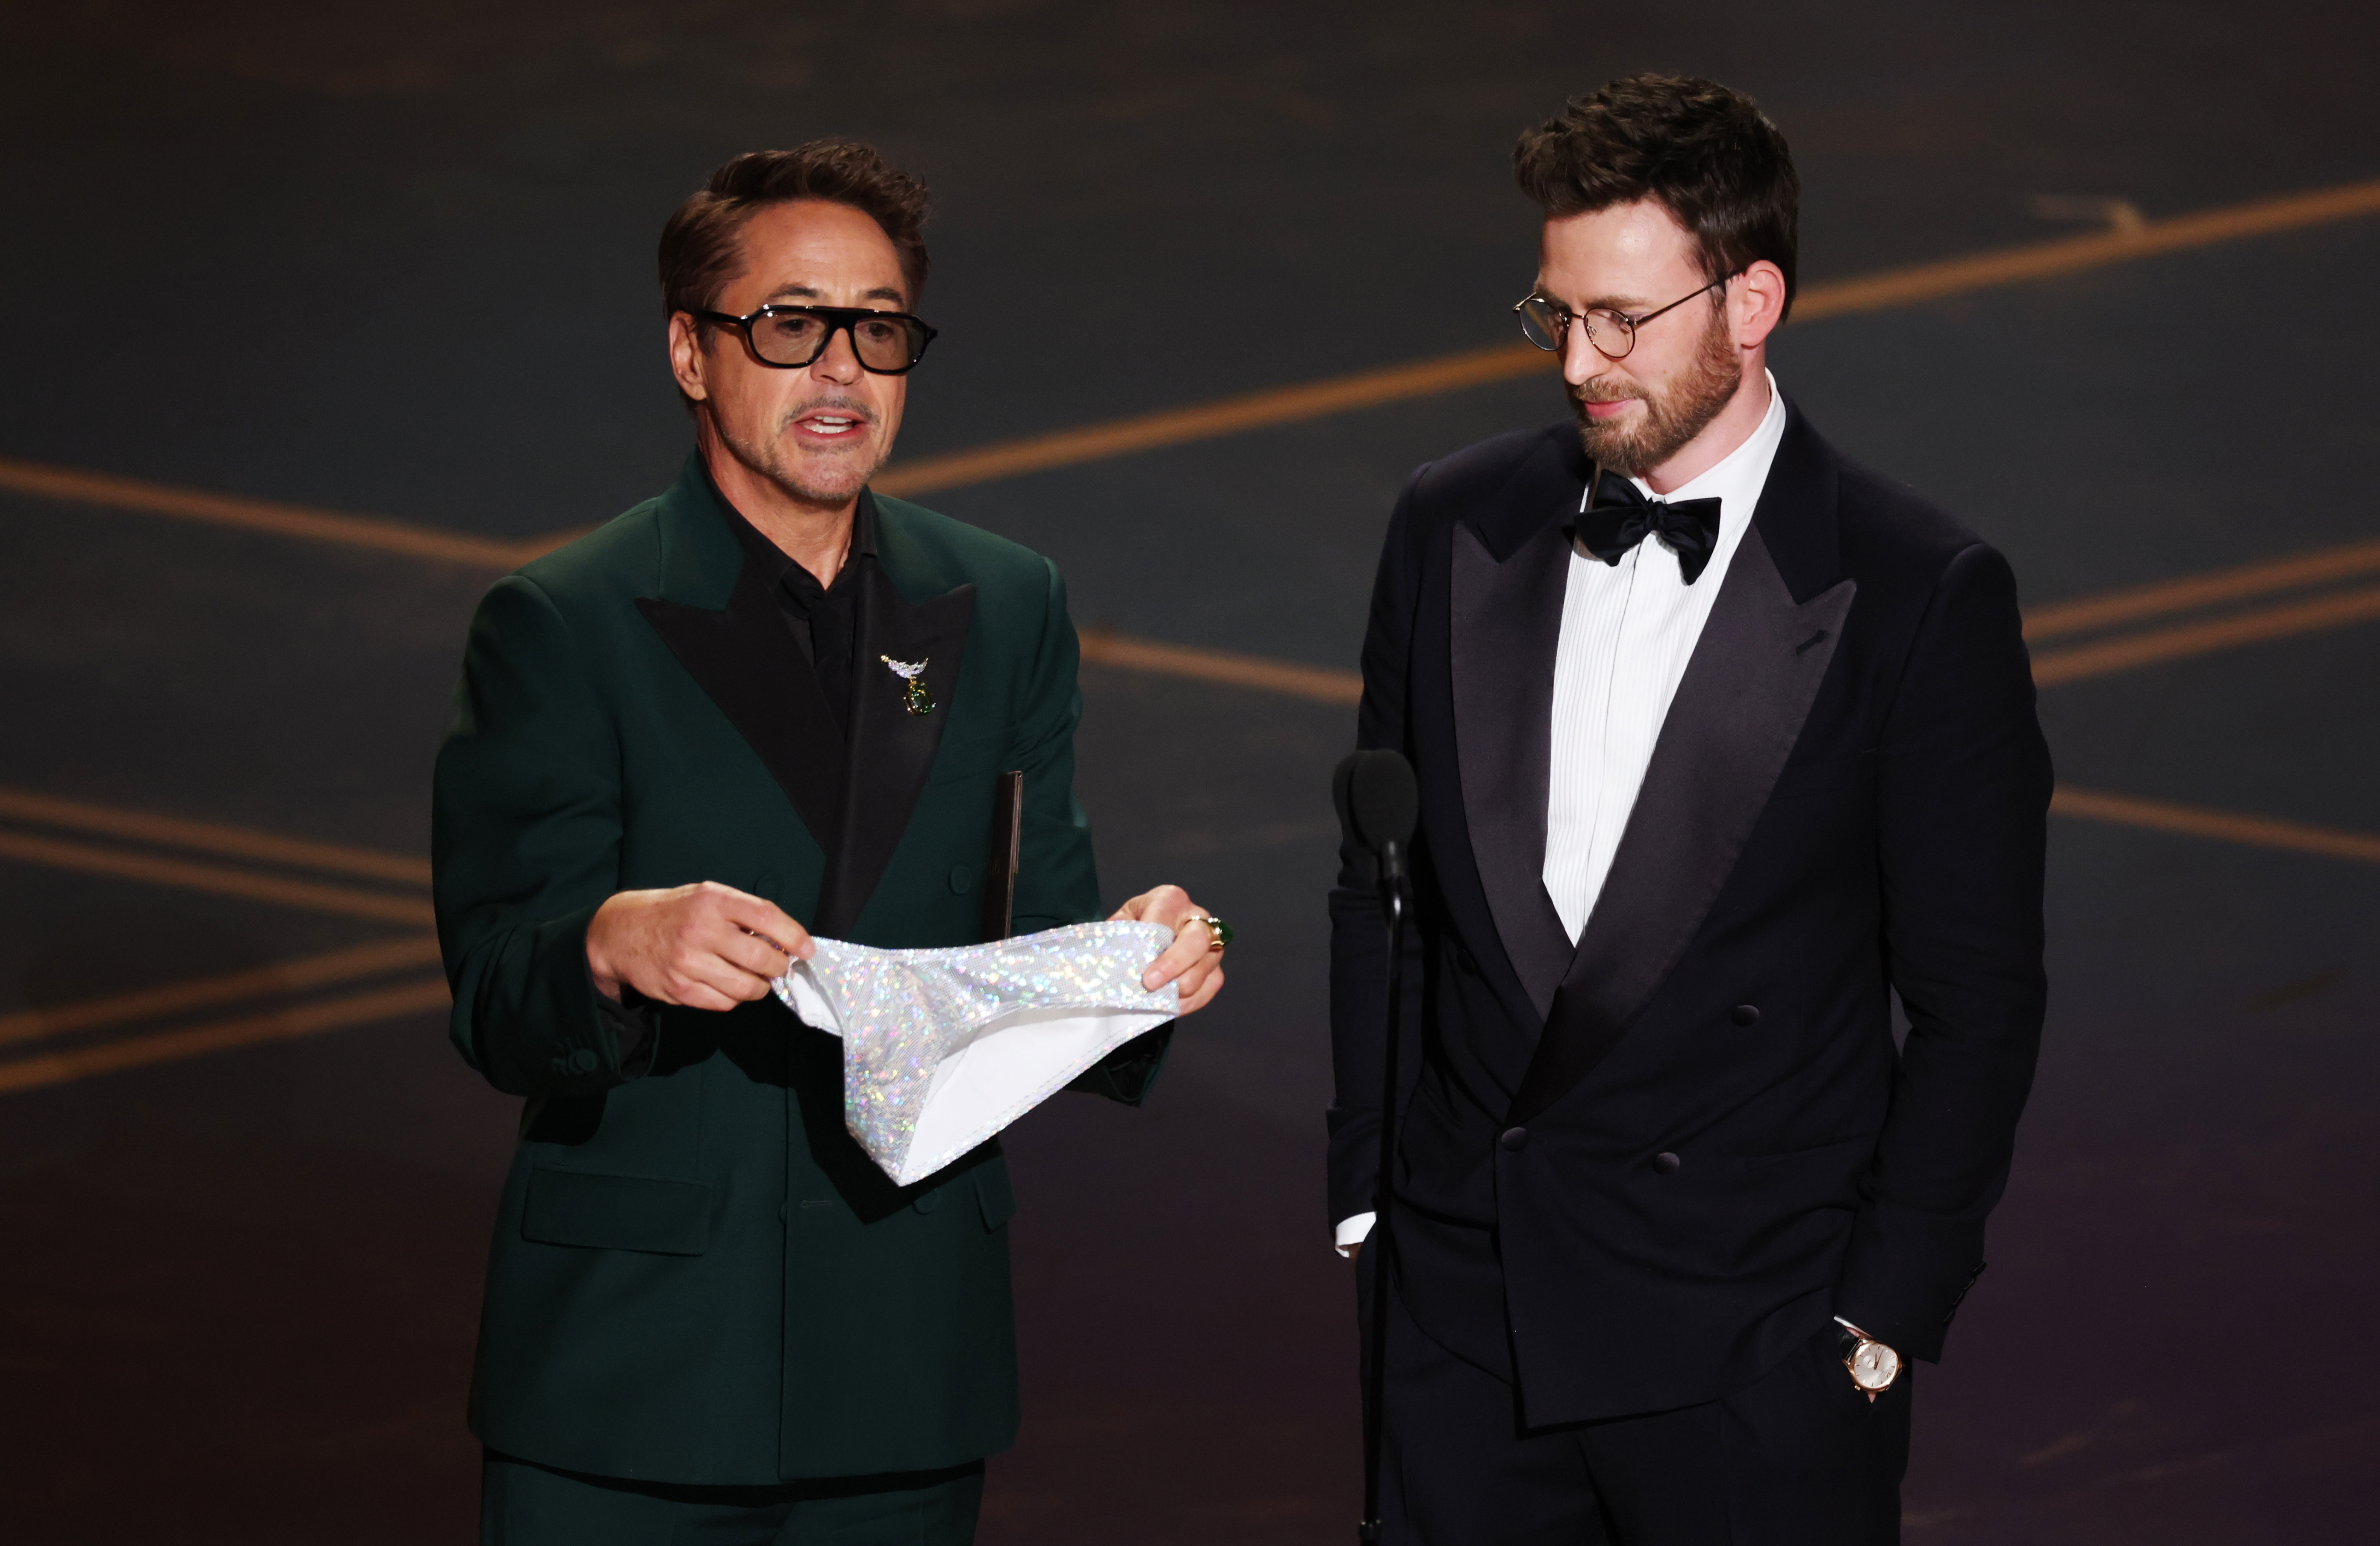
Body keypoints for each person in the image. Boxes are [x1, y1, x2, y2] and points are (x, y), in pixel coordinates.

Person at [433, 139, 1227, 1546]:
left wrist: (1139, 966)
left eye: (878, 328)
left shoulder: (1006, 603)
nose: (842, 371)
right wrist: (610, 946)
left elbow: (1031, 934)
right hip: (634, 1373)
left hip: (903, 1359)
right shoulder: (564, 621)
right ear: (692, 352)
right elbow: (498, 996)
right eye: (791, 326)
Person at [1327, 74, 2049, 1543]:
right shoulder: (1451, 523)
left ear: (1753, 301)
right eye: (1555, 314)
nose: (1579, 362)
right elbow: (1383, 892)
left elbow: (1977, 1000)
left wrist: (1880, 1318)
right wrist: (1370, 1202)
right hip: (1461, 1330)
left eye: (1622, 320)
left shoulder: (1916, 592)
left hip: (1752, 1353)